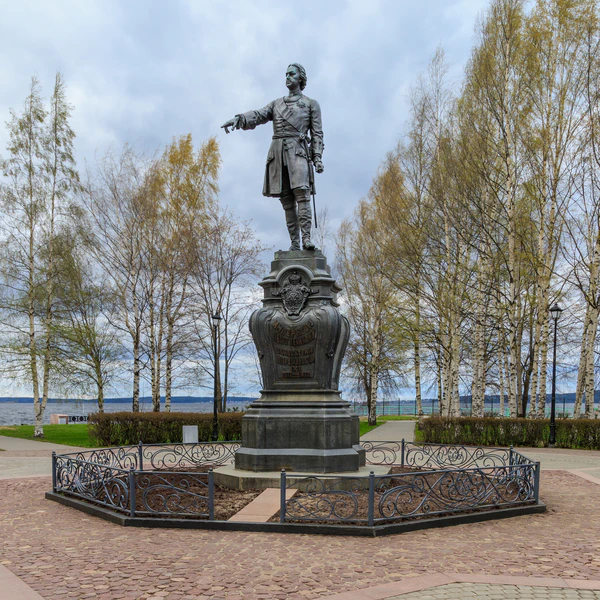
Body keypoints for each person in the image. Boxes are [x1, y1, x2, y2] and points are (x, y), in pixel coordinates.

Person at [221, 63, 324, 251]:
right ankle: (295, 243)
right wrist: (240, 119)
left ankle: (306, 239)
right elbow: (259, 115)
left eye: (291, 74)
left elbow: (317, 134)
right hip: (278, 154)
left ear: (301, 78)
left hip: (298, 152)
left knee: (302, 194)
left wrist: (317, 157)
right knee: (286, 200)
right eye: (286, 74)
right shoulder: (277, 104)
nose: (288, 77)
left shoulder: (311, 104)